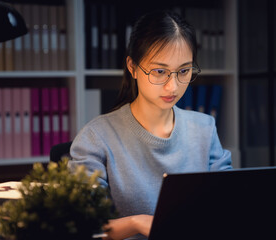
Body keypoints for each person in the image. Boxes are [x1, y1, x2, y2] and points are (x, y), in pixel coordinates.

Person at [69, 10, 232, 240]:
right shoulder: (97, 137)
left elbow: (228, 206)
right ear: (133, 67)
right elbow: (85, 227)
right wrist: (137, 222)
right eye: (159, 72)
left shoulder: (204, 129)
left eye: (184, 71)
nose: (173, 86)